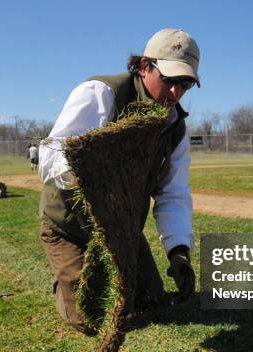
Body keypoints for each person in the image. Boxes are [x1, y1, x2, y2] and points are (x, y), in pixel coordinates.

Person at [38, 28, 200, 334]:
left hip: (121, 232)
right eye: (170, 80)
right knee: (93, 318)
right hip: (69, 226)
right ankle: (65, 283)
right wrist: (90, 171)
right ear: (144, 66)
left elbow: (173, 192)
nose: (176, 94)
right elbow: (49, 156)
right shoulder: (101, 94)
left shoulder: (174, 126)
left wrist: (179, 249)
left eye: (186, 84)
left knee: (150, 305)